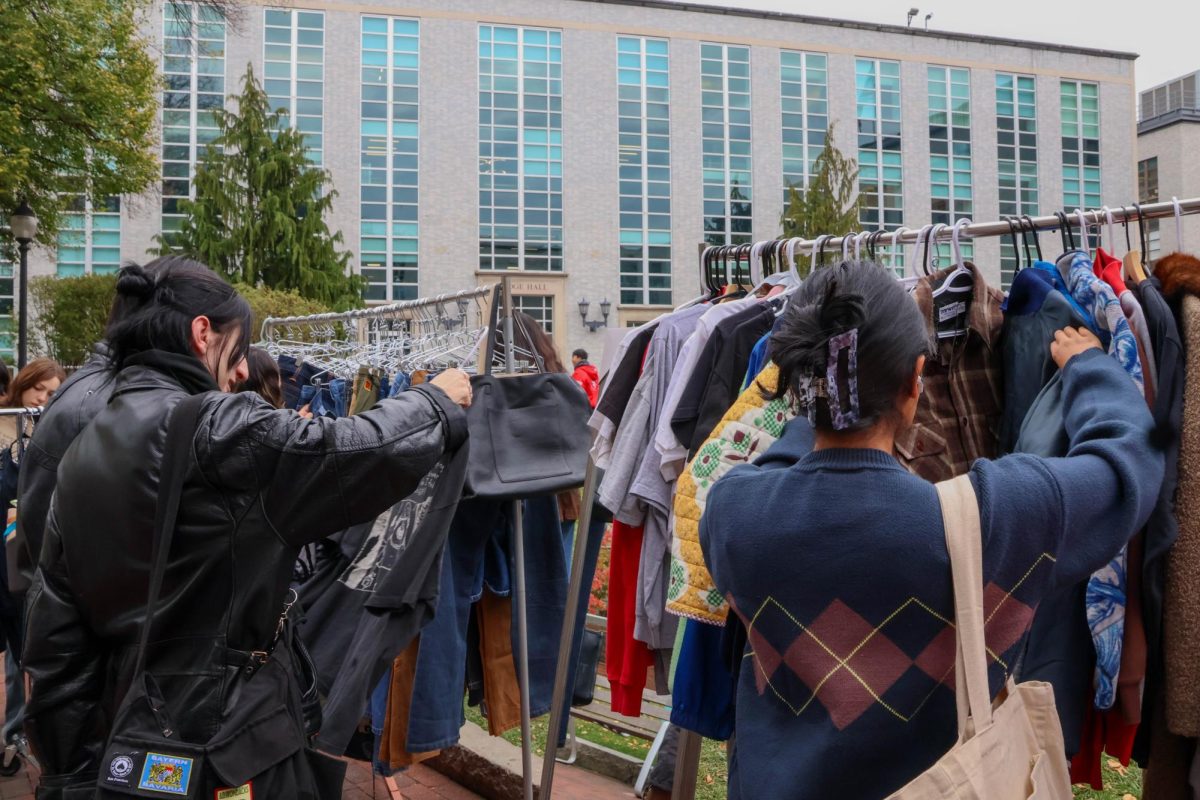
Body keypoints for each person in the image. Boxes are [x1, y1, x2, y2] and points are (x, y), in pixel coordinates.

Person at [700, 261, 1164, 798]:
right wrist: (1089, 368)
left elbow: (785, 464)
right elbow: (1128, 467)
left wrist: (819, 404)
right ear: (915, 379)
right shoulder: (996, 520)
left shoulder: (733, 514)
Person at [23, 258, 472, 797]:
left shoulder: (87, 445)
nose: (240, 372)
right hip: (232, 743)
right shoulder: (217, 430)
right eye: (238, 352)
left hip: (133, 738)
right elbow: (355, 450)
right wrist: (436, 400)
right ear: (202, 333)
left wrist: (68, 776)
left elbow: (55, 640)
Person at [0, 359, 65, 454]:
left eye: (51, 394)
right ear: (24, 383)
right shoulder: (3, 412)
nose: (42, 398)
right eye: (38, 388)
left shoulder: (53, 427)